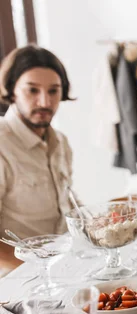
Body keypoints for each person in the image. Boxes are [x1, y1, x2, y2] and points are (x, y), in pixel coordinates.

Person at [0, 45, 75, 272]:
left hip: (66, 265)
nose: (44, 102)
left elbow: (66, 201)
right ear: (12, 90)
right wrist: (35, 271)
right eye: (32, 90)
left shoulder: (60, 142)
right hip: (17, 281)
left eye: (53, 91)